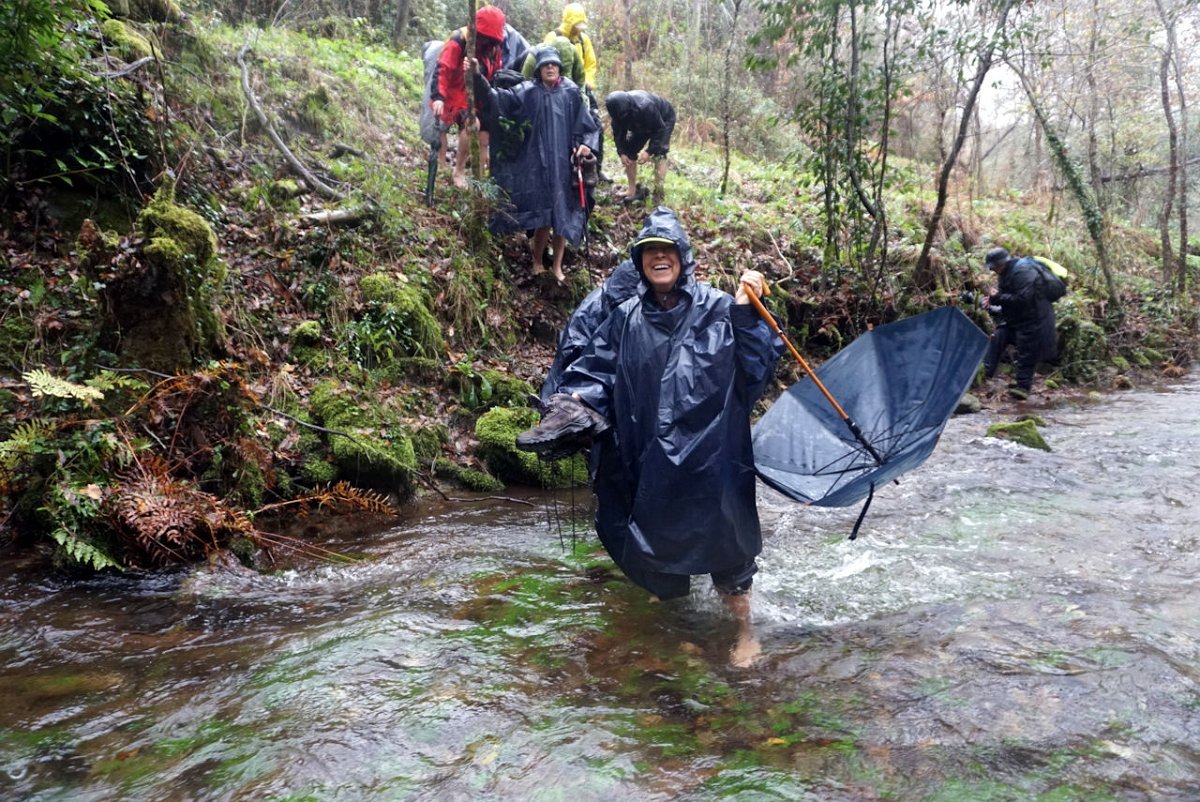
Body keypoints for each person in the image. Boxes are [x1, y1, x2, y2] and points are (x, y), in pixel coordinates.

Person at [551, 207, 780, 665]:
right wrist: (572, 403)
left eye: (667, 250)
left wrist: (746, 311)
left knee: (727, 546)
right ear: (639, 262)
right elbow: (595, 371)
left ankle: (744, 631)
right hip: (649, 454)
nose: (659, 258)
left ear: (683, 256)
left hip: (713, 454)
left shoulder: (720, 307)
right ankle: (675, 626)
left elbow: (758, 367)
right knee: (652, 536)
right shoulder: (625, 318)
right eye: (649, 251)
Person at [475, 48, 599, 283]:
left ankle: (557, 267)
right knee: (544, 217)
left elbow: (588, 125)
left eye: (554, 64)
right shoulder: (528, 91)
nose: (550, 68)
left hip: (564, 166)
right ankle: (537, 262)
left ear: (560, 68)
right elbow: (497, 99)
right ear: (539, 69)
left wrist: (585, 145)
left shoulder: (571, 92)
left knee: (562, 217)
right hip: (537, 166)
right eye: (545, 65)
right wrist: (476, 77)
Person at [430, 5, 507, 188]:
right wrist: (439, 96)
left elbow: (494, 76)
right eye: (483, 37)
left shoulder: (494, 50)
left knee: (474, 126)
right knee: (441, 127)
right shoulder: (459, 40)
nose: (485, 42)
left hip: (470, 97)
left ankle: (459, 171)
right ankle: (441, 167)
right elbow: (443, 68)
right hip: (449, 91)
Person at [980, 247, 1057, 399]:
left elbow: (1023, 299)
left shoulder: (1023, 272)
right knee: (997, 338)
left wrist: (997, 298)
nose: (993, 270)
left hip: (1034, 321)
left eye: (994, 267)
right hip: (1015, 321)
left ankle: (1022, 388)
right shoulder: (1005, 274)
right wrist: (992, 304)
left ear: (1002, 263)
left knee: (1026, 352)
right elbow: (1008, 302)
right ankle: (984, 374)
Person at [604, 90, 675, 204]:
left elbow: (660, 130)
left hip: (663, 119)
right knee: (629, 151)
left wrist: (649, 151)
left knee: (660, 153)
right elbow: (618, 134)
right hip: (640, 124)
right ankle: (631, 190)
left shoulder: (645, 105)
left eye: (624, 116)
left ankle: (658, 192)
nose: (622, 119)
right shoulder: (617, 114)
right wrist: (622, 152)